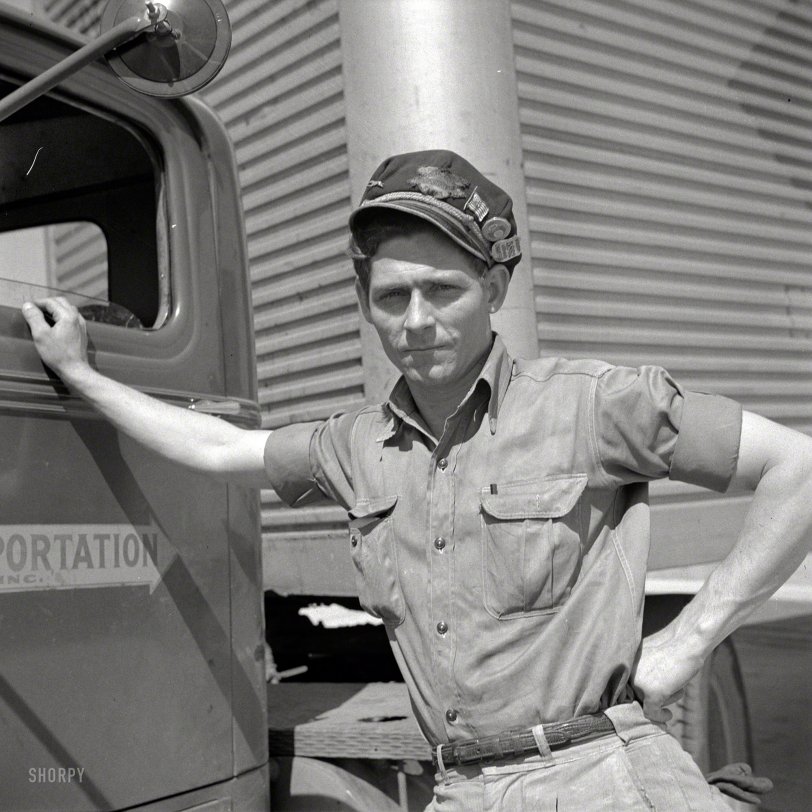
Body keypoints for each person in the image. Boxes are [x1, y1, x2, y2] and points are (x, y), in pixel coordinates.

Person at [22, 149, 799, 810]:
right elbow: (218, 447)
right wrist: (83, 377)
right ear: (366, 303)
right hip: (458, 788)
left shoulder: (591, 404)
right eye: (392, 296)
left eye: (444, 290)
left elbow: (796, 468)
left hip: (599, 775)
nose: (416, 319)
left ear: (494, 290)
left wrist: (690, 639)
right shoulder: (355, 446)